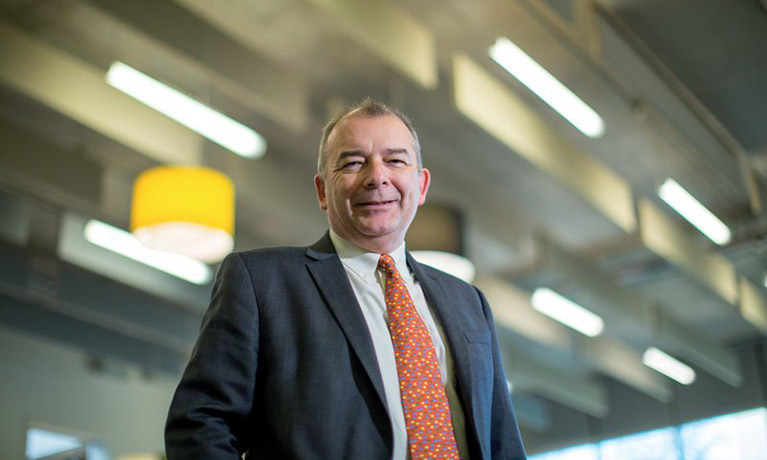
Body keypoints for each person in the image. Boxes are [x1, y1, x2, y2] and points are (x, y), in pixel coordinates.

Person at [165, 99, 527, 459]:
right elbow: (201, 424)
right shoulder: (261, 282)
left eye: (395, 160)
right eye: (354, 163)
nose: (376, 177)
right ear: (323, 190)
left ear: (421, 185)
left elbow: (502, 444)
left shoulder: (469, 303)